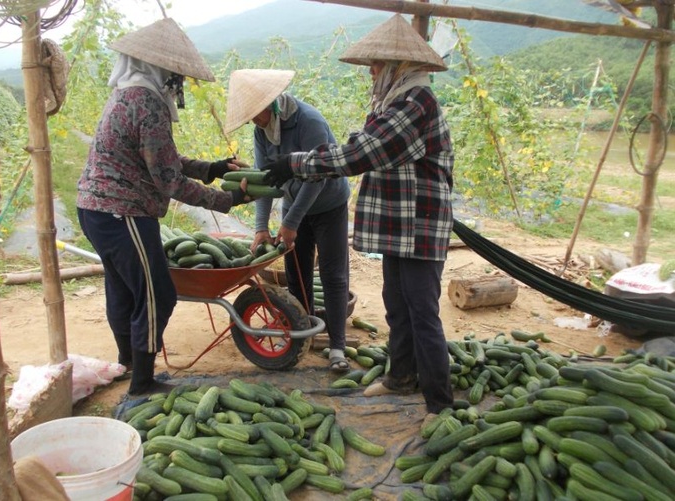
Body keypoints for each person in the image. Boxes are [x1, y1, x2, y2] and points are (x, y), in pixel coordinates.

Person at [261, 14, 455, 420]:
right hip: (399, 225)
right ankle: (401, 377)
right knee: (396, 304)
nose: (371, 72)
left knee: (421, 310)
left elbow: (362, 154)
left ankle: (440, 403)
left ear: (399, 66)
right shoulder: (393, 103)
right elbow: (362, 144)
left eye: (377, 64)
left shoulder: (416, 103)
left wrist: (295, 162)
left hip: (419, 224)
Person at [76, 18, 253, 396]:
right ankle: (142, 381)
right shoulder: (148, 104)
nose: (179, 81)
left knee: (123, 289)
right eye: (176, 74)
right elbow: (169, 181)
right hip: (123, 212)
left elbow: (160, 157)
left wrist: (211, 168)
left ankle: (127, 363)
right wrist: (229, 199)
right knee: (158, 293)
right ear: (160, 69)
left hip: (96, 210)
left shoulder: (127, 93)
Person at [224, 69, 352, 372]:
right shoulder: (262, 131)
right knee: (296, 273)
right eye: (249, 118)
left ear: (271, 104)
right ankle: (302, 334)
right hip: (294, 205)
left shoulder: (309, 122)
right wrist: (261, 227)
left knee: (333, 276)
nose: (253, 122)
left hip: (329, 204)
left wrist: (291, 222)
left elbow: (317, 177)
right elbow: (265, 179)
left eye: (256, 114)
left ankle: (337, 346)